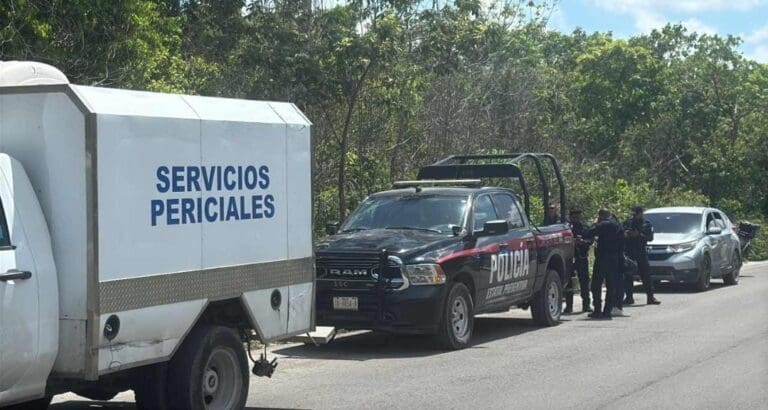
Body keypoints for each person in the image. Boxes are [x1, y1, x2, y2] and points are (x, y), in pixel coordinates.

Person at [587, 209, 624, 319]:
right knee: (611, 286)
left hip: (602, 258)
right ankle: (607, 311)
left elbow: (589, 232)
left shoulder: (603, 225)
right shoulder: (618, 225)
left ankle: (597, 310)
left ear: (601, 216)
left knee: (596, 285)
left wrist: (594, 224)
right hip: (615, 258)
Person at [624, 205, 661, 305]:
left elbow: (650, 238)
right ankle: (629, 297)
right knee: (628, 275)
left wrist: (639, 235)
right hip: (629, 251)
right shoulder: (627, 222)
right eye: (633, 214)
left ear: (641, 213)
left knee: (646, 275)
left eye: (636, 214)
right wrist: (626, 234)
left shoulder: (646, 224)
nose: (634, 216)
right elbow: (621, 234)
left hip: (640, 251)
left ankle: (650, 297)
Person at [564, 207, 592, 313]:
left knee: (584, 281)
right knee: (569, 283)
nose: (576, 218)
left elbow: (590, 240)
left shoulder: (585, 227)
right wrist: (572, 241)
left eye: (578, 216)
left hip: (582, 257)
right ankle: (568, 306)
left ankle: (586, 305)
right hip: (569, 257)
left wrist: (582, 242)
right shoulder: (566, 228)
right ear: (570, 217)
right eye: (574, 217)